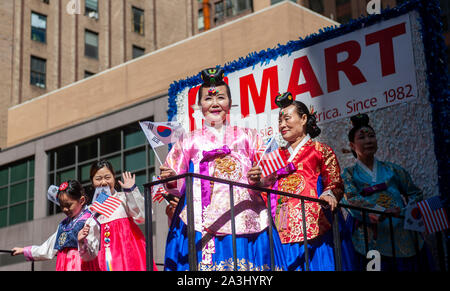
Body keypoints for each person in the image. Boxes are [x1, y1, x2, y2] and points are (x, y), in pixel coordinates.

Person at [160, 67, 287, 271]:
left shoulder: (248, 135)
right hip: (202, 217)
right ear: (199, 105)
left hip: (245, 213)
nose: (215, 103)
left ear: (230, 103)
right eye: (208, 99)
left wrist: (260, 177)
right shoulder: (188, 140)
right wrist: (171, 178)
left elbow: (271, 169)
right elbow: (175, 183)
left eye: (221, 97)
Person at [262, 92, 354, 271]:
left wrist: (329, 193)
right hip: (283, 227)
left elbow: (334, 181)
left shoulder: (320, 150)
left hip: (316, 225)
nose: (282, 125)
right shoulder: (275, 156)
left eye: (287, 119)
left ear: (304, 119)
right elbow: (266, 191)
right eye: (280, 121)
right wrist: (258, 182)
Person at [341, 113, 433, 271]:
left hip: (401, 231)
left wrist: (406, 211)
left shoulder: (393, 169)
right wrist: (380, 211)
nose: (368, 140)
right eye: (361, 138)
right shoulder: (349, 174)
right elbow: (351, 199)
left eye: (371, 136)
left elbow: (415, 193)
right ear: (352, 145)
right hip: (369, 235)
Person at [82, 159, 157, 271]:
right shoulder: (91, 209)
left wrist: (131, 191)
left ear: (114, 178)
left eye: (107, 177)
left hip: (128, 253)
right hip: (103, 259)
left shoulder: (123, 197)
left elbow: (143, 216)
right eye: (98, 179)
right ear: (92, 182)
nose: (103, 182)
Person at [11, 180, 100, 271]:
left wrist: (81, 242)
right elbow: (48, 248)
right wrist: (24, 250)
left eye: (68, 205)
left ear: (81, 201)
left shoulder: (89, 222)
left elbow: (93, 254)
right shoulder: (64, 225)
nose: (65, 209)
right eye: (62, 206)